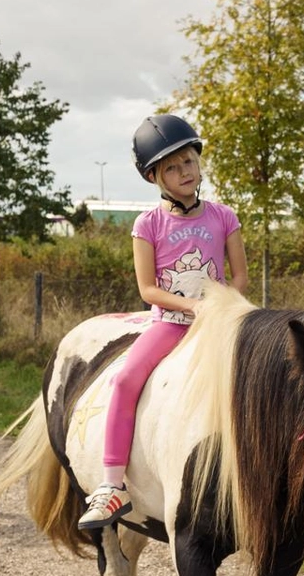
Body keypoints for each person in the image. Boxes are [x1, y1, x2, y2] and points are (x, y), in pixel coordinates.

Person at [77, 114, 249, 530]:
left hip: (221, 324)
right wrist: (193, 308)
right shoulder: (148, 224)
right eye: (172, 167)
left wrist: (222, 305)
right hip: (170, 324)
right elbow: (148, 289)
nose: (185, 171)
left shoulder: (223, 216)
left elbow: (240, 275)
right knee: (124, 380)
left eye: (189, 161)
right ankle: (112, 484)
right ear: (155, 177)